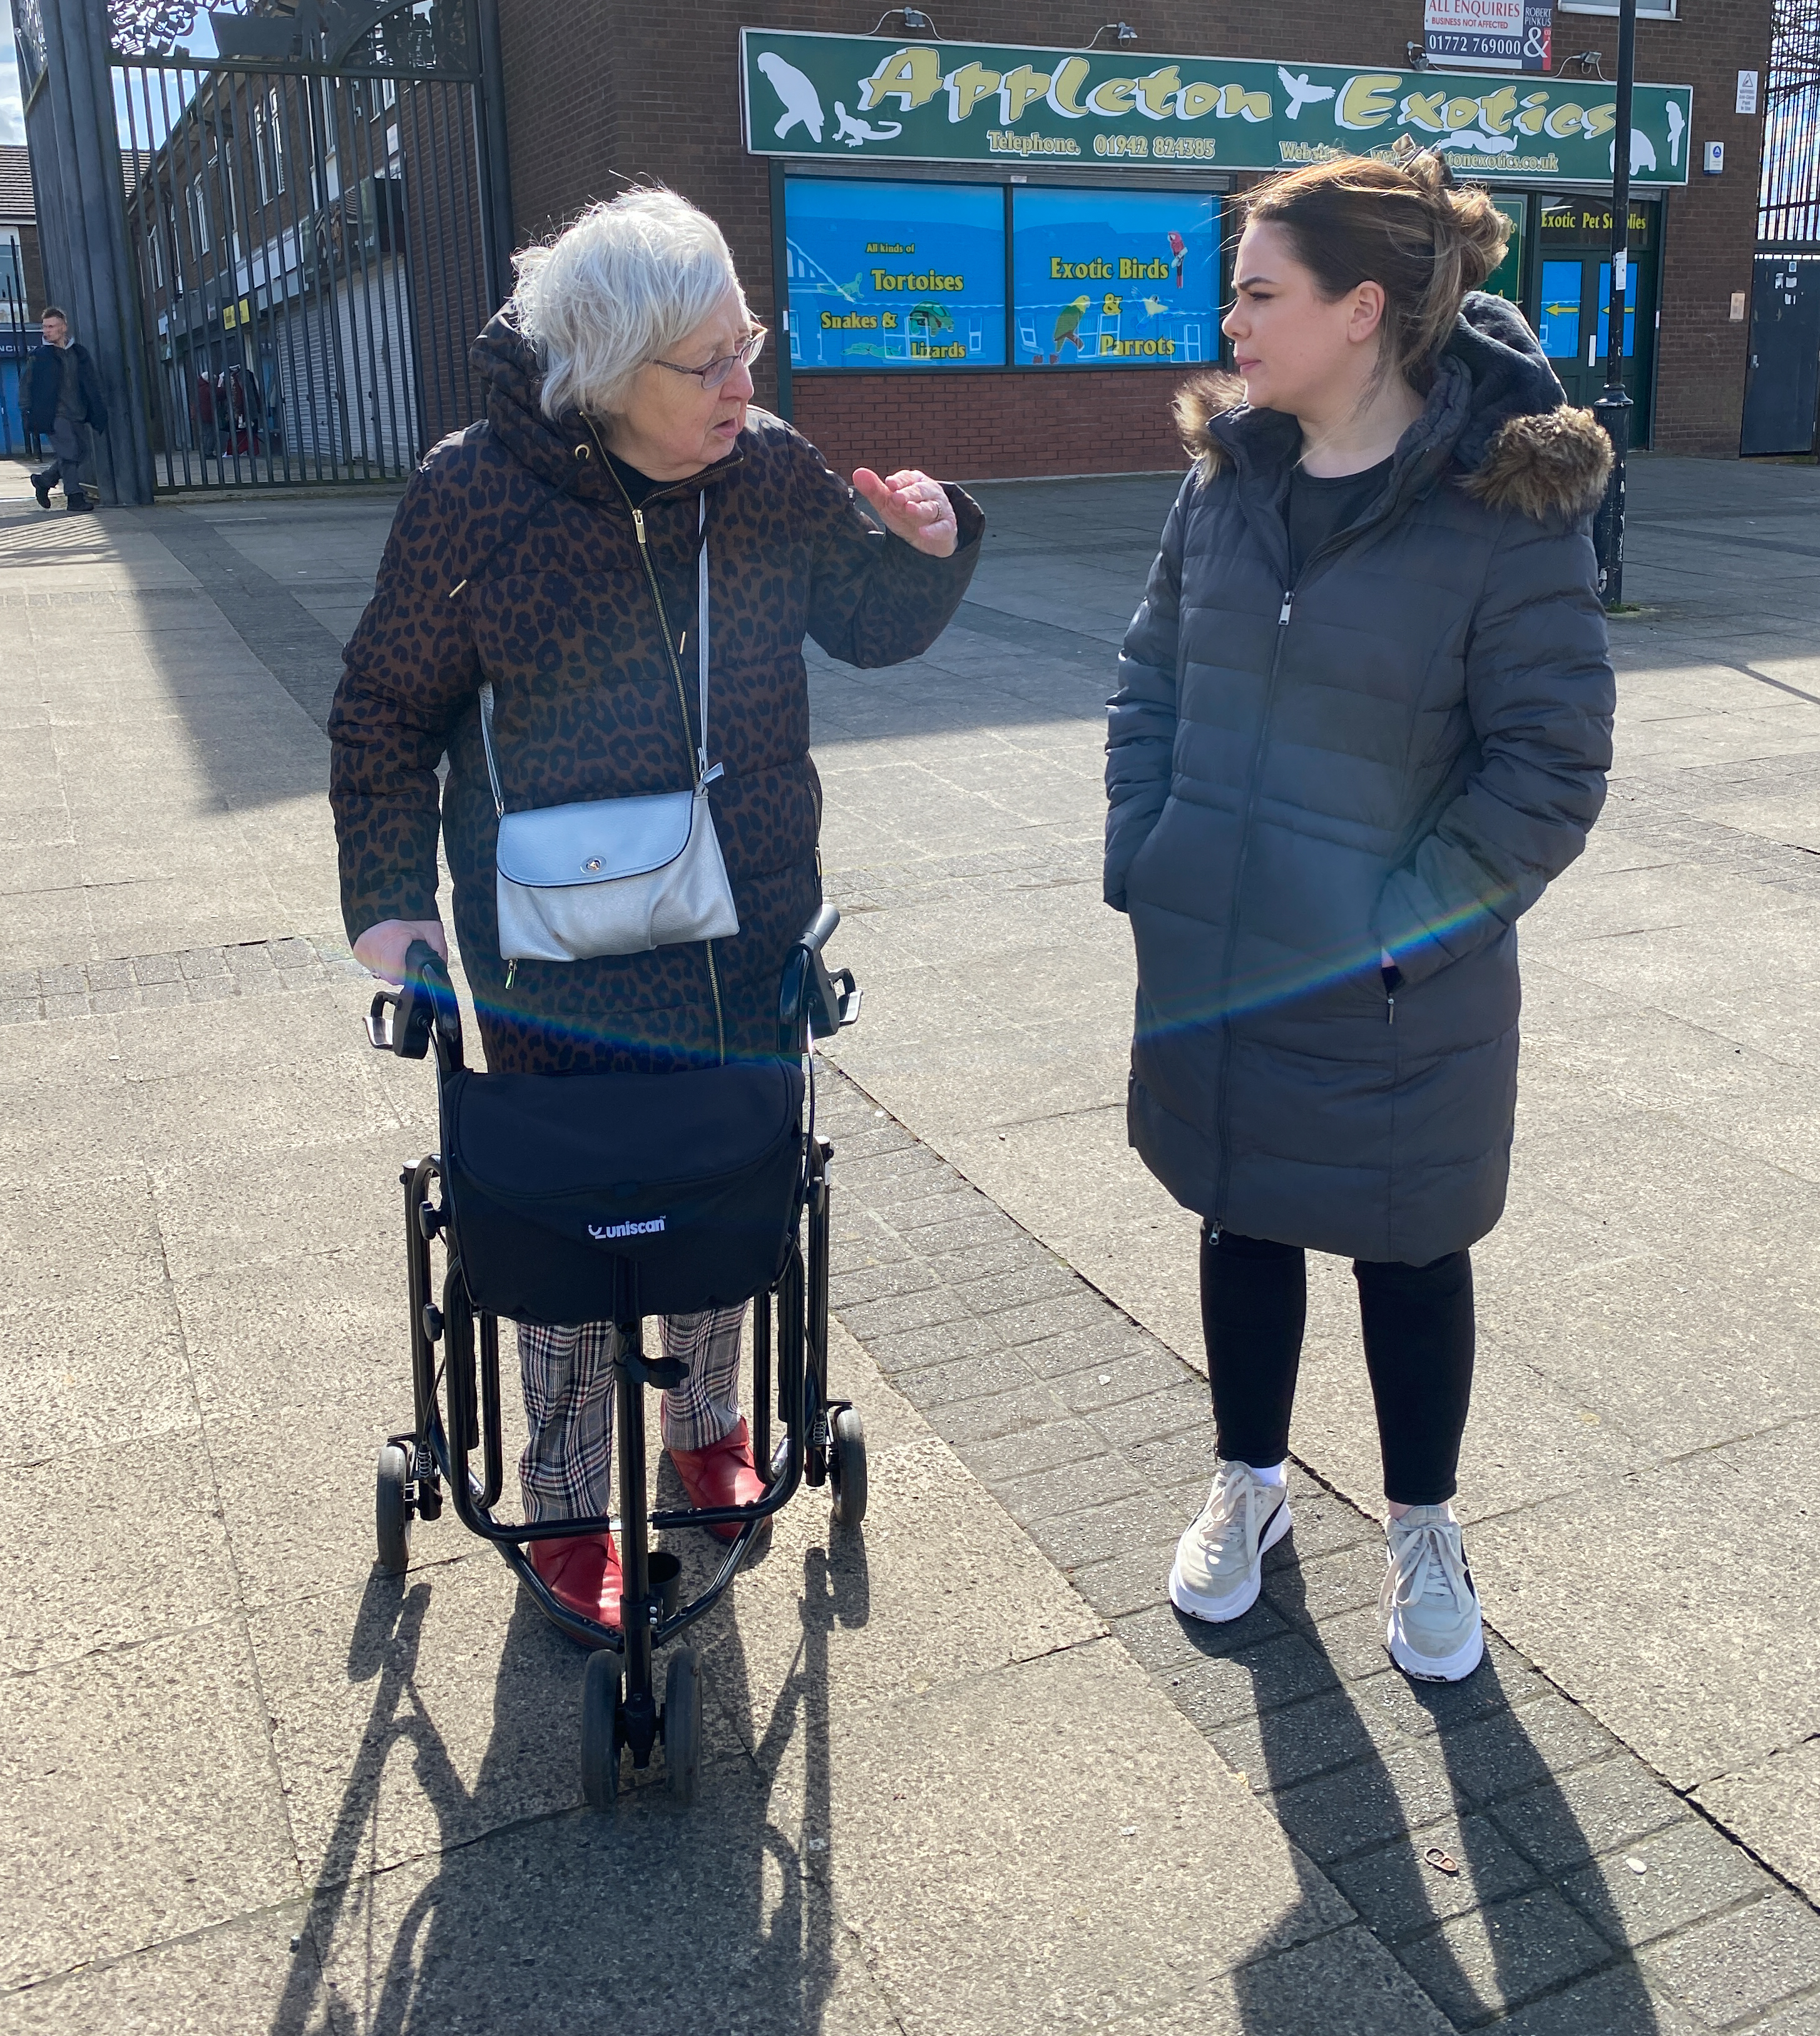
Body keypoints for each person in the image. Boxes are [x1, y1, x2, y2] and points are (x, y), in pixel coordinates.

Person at [330, 187, 982, 1632]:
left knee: (714, 1187)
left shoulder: (766, 469)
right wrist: (387, 910)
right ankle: (564, 1496)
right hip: (551, 954)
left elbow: (868, 624)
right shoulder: (472, 493)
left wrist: (929, 546)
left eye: (749, 342)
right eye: (710, 360)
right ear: (605, 367)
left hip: (742, 929)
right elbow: (384, 708)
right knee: (563, 1214)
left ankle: (705, 1426)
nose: (745, 383)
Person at [1105, 149, 1615, 1683]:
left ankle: (1421, 1523)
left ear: (1362, 307)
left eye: (1260, 292)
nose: (1231, 322)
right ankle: (1248, 1481)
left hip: (1401, 986)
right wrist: (1152, 848)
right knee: (1239, 1211)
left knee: (1408, 1251)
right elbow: (1148, 677)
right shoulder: (1226, 482)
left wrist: (1397, 930)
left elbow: (1550, 763)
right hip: (1218, 956)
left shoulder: (1499, 515)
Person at [24, 307, 107, 513]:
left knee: (83, 452)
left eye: (51, 327)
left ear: (63, 327)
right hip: (54, 415)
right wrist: (26, 410)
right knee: (69, 453)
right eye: (44, 327)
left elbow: (91, 381)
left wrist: (97, 407)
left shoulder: (78, 353)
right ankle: (74, 497)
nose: (46, 331)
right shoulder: (39, 356)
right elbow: (25, 384)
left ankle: (44, 481)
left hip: (77, 413)